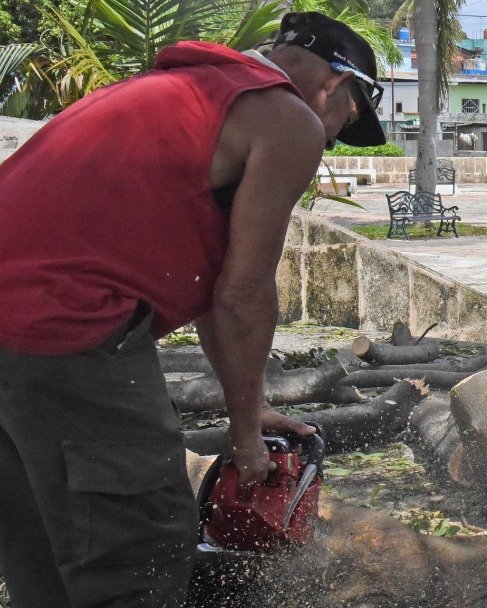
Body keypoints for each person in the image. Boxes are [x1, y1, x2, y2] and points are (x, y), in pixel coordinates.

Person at [0, 12, 386, 607]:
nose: (329, 141)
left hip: (20, 327)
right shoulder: (288, 119)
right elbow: (243, 294)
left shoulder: (173, 92)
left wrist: (249, 409)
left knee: (43, 549)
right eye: (344, 125)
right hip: (62, 325)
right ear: (334, 86)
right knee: (139, 544)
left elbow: (214, 285)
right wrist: (247, 440)